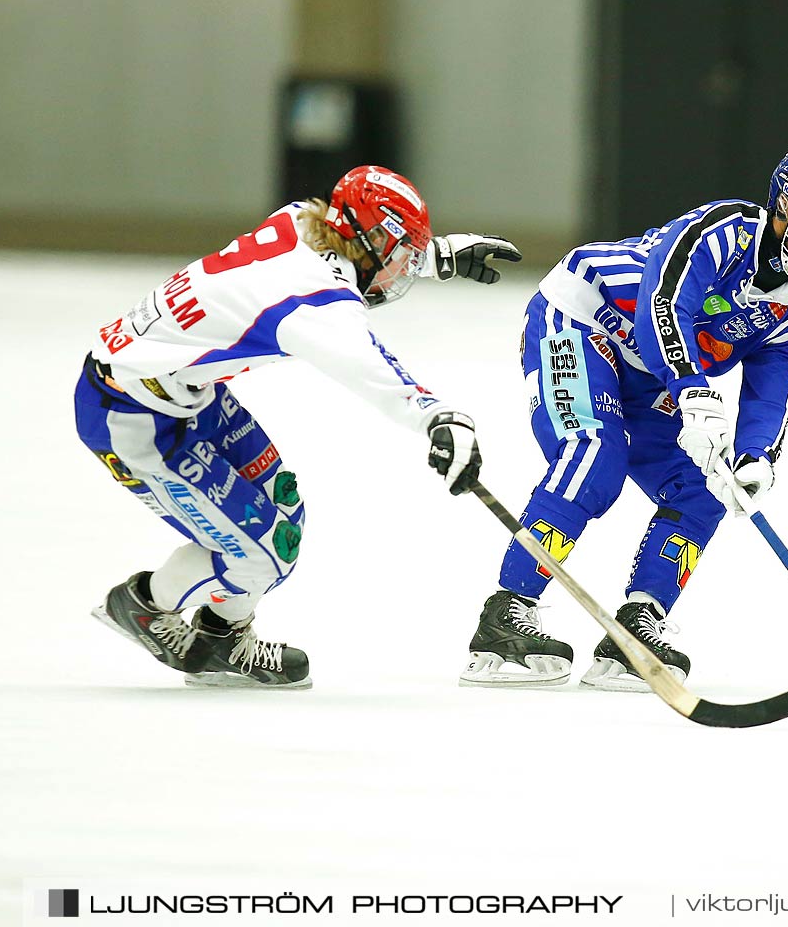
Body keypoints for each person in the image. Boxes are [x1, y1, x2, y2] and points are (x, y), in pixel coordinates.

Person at [78, 165, 520, 688]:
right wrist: (441, 418)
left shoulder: (301, 222)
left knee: (282, 515)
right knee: (260, 554)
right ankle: (145, 604)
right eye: (402, 253)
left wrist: (436, 256)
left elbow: (353, 260)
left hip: (181, 394)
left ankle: (222, 636)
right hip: (131, 416)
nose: (404, 269)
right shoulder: (313, 304)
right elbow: (372, 370)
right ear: (372, 238)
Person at [460, 144, 788, 691]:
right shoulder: (723, 233)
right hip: (584, 322)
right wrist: (694, 390)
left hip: (655, 376)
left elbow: (770, 399)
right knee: (594, 459)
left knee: (704, 489)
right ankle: (507, 614)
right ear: (781, 210)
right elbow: (661, 305)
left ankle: (638, 622)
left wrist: (755, 460)